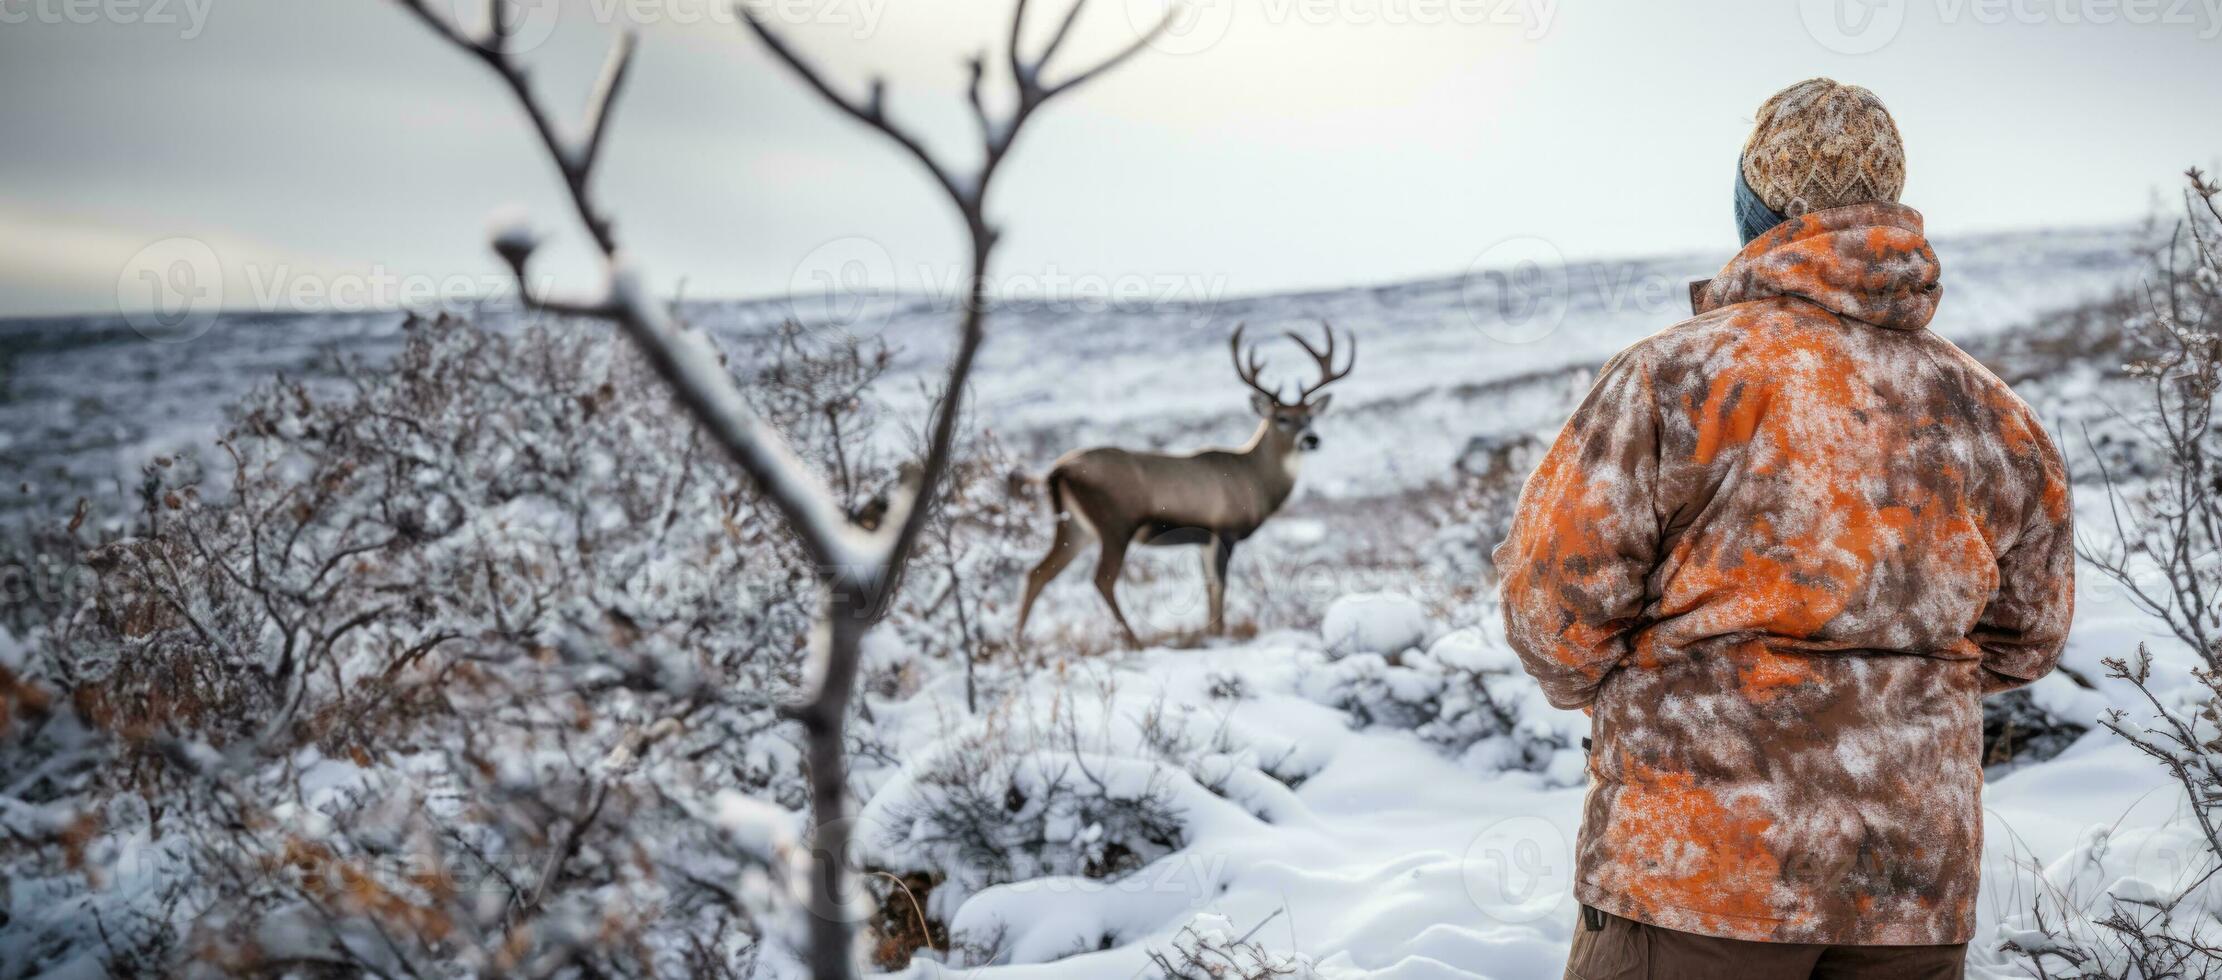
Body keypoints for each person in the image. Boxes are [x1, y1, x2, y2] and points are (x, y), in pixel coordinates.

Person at [1493, 78, 2075, 980]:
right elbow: (2028, 637)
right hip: (1910, 880)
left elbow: (1556, 612)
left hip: (1701, 873)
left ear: (1757, 208)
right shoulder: (1990, 410)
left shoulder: (1678, 376)